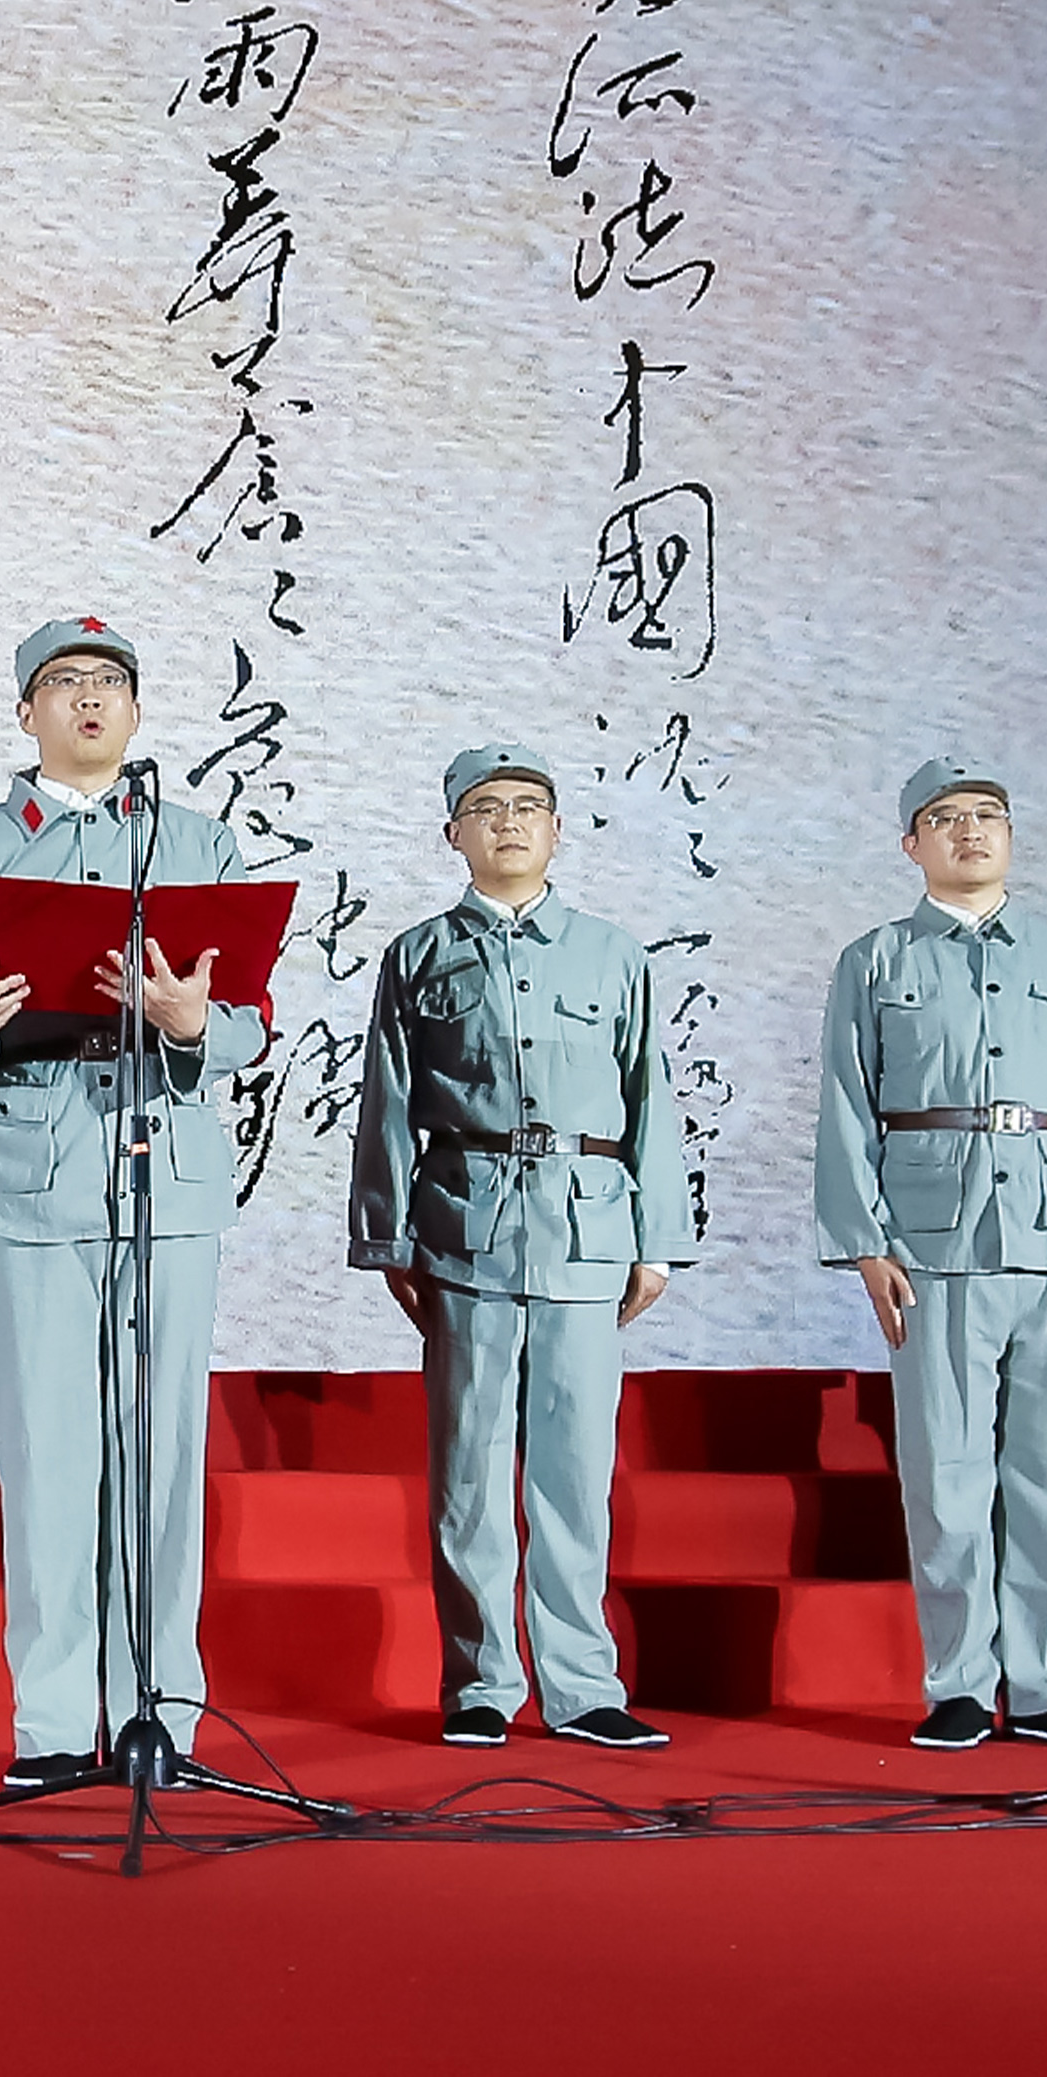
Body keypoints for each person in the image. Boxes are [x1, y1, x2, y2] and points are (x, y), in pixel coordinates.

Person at [0, 618, 265, 1790]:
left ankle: (161, 1713)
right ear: (27, 710)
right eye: (65, 682)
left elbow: (248, 1017)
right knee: (48, 1454)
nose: (89, 698)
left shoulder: (194, 842)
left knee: (161, 1456)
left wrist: (196, 1024)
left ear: (137, 710)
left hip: (166, 1169)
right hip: (26, 1172)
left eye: (110, 681)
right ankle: (54, 1719)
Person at [348, 744, 695, 1749]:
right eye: (488, 806)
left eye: (530, 805)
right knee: (469, 1471)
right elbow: (387, 1102)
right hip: (467, 1226)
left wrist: (657, 1240)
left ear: (557, 829)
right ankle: (481, 1684)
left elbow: (650, 1099)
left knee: (575, 1470)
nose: (510, 821)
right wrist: (389, 1238)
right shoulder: (419, 954)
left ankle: (583, 1686)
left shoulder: (613, 954)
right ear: (452, 831)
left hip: (588, 1228)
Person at [816, 758, 1047, 1751]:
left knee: (1044, 1475)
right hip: (934, 1239)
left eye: (987, 815)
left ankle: (1039, 1685)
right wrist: (865, 1242)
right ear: (911, 843)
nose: (971, 830)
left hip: (1044, 1229)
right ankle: (959, 1682)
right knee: (948, 1473)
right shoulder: (875, 960)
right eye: (946, 818)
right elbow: (844, 1103)